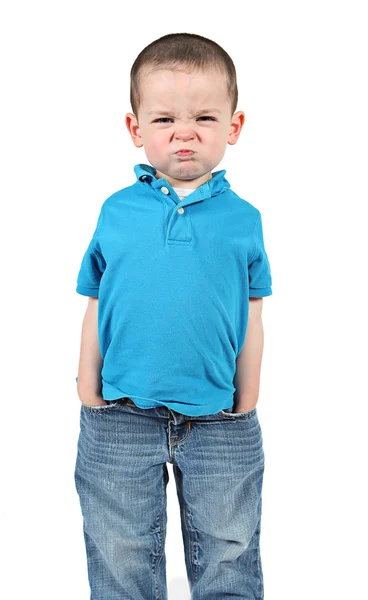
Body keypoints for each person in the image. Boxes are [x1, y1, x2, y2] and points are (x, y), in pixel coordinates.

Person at [74, 32, 272, 600]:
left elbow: (252, 309)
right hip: (119, 416)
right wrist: (87, 385)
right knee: (119, 552)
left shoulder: (244, 220)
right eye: (164, 120)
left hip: (221, 422)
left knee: (229, 553)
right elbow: (97, 296)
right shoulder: (116, 211)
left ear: (233, 128)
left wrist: (249, 395)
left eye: (204, 117)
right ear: (136, 129)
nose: (184, 132)